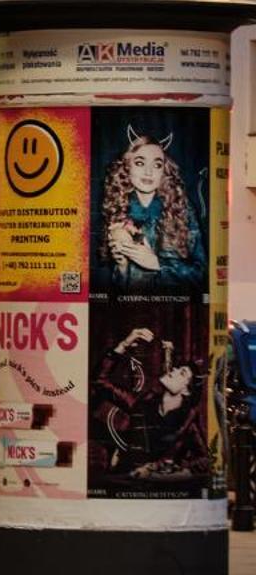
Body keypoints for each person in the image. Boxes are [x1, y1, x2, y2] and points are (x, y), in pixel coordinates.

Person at [91, 326, 210, 482]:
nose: (173, 370)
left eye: (182, 373)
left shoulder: (188, 420)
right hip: (124, 480)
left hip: (160, 489)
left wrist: (164, 468)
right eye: (177, 368)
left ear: (187, 391)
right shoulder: (141, 403)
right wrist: (124, 345)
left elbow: (205, 460)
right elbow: (99, 381)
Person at [97, 127, 203, 290]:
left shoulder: (182, 209)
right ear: (127, 167)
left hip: (174, 310)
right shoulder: (117, 209)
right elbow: (111, 288)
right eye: (140, 163)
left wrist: (157, 264)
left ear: (164, 171)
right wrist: (122, 267)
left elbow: (202, 274)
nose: (148, 172)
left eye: (157, 165)